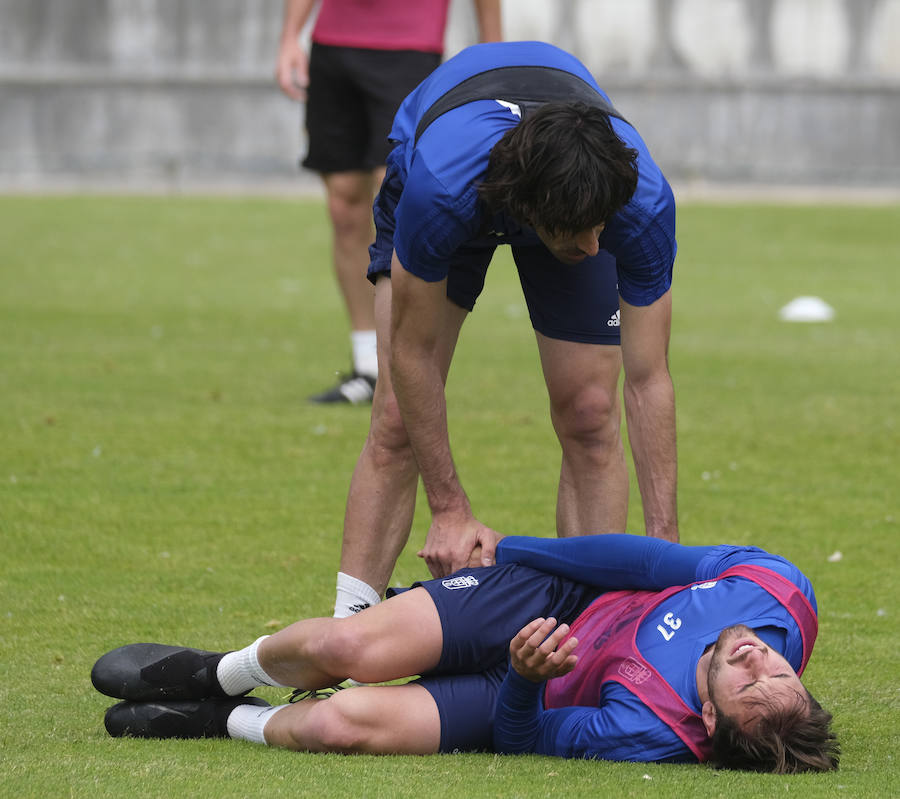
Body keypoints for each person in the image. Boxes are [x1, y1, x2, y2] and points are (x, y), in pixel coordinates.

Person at [330, 39, 679, 619]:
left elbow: (650, 380)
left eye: (602, 230)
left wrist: (665, 546)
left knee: (592, 413)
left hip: (565, 188)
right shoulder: (441, 189)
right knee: (397, 416)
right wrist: (448, 508)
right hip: (462, 169)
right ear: (531, 210)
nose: (597, 249)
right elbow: (410, 355)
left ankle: (585, 636)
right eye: (582, 235)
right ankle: (344, 639)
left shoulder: (638, 206)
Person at [92, 534, 839, 772]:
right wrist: (513, 548)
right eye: (778, 670)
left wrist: (521, 677)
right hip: (552, 599)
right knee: (347, 643)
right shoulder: (781, 594)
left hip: (525, 688)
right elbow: (645, 565)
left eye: (747, 682)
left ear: (707, 716)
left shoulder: (655, 731)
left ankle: (216, 720)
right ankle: (215, 671)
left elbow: (523, 740)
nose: (756, 658)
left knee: (336, 725)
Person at [276, 0, 502, 404]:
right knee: (344, 206)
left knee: (396, 200)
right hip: (333, 45)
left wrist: (492, 54)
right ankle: (368, 367)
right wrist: (290, 36)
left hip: (409, 48)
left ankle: (402, 363)